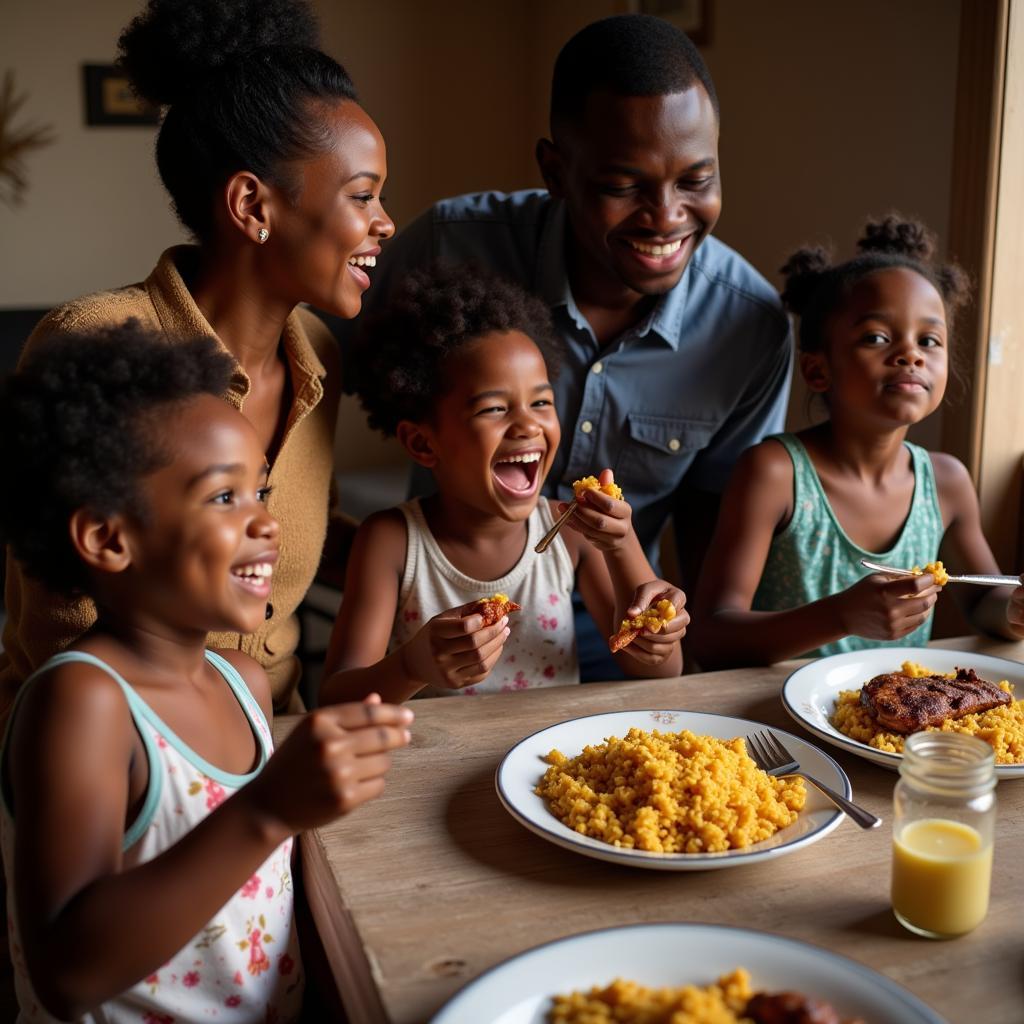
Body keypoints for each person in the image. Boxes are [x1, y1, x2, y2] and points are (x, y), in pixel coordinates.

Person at [341, 14, 791, 678]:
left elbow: (708, 560)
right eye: (622, 186)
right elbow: (311, 373)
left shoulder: (747, 328)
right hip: (426, 635)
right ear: (555, 169)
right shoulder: (448, 247)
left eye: (695, 180)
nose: (666, 216)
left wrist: (670, 643)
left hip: (609, 639)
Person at [0, 324, 413, 1022]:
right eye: (226, 498)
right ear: (109, 539)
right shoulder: (84, 702)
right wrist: (269, 808)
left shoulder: (242, 682)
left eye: (262, 491)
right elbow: (66, 971)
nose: (267, 522)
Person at [0, 0, 395, 720]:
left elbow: (299, 543)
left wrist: (444, 550)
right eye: (363, 196)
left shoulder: (322, 362)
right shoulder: (97, 341)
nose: (385, 222)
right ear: (252, 205)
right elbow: (59, 623)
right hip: (111, 762)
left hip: (274, 738)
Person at [319, 267, 686, 704]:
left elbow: (659, 670)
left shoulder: (569, 532)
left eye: (541, 402)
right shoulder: (392, 541)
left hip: (551, 766)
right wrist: (411, 666)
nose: (528, 424)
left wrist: (621, 545)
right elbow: (336, 696)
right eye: (494, 408)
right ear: (422, 442)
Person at [689, 216, 1024, 668]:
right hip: (770, 720)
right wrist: (841, 616)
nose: (911, 354)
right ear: (817, 370)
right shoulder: (775, 473)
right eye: (877, 338)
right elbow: (710, 636)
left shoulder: (945, 483)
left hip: (892, 726)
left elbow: (984, 603)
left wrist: (1013, 610)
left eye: (929, 339)